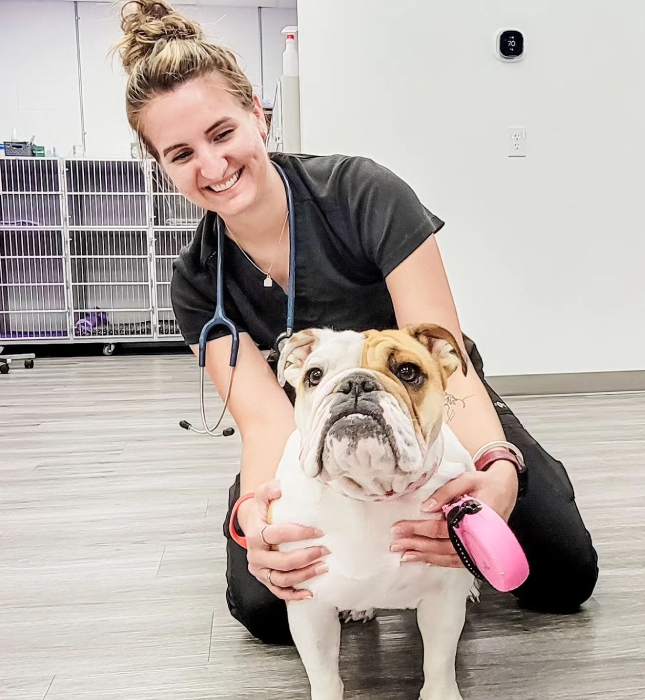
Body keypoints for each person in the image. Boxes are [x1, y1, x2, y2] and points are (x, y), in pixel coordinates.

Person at [118, 0, 598, 645]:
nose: (211, 166)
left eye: (223, 133)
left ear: (259, 114)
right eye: (180, 154)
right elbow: (267, 421)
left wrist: (498, 468)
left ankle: (518, 492)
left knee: (563, 577)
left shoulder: (364, 194)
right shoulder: (198, 281)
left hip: (435, 406)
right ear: (162, 167)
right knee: (268, 605)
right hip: (311, 432)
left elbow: (448, 370)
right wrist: (258, 518)